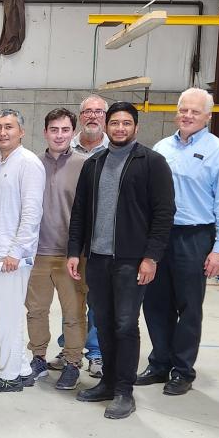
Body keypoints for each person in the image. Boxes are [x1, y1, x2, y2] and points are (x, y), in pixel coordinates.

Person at [66, 102, 175, 419]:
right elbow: (79, 213)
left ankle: (125, 392)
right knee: (104, 323)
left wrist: (151, 257)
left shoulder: (152, 163)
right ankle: (108, 383)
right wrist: (75, 250)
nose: (120, 128)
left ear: (136, 128)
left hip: (131, 260)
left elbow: (164, 215)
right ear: (106, 127)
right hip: (98, 259)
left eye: (126, 123)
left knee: (126, 325)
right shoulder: (94, 163)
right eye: (115, 123)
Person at [139, 88, 219, 395]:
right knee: (155, 304)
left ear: (207, 116)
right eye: (183, 110)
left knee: (189, 306)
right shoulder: (161, 148)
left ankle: (182, 370)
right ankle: (159, 363)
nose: (188, 116)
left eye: (195, 112)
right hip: (159, 236)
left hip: (195, 236)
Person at [0, 109, 45, 394]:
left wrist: (16, 252)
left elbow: (31, 212)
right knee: (1, 317)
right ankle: (24, 368)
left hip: (11, 257)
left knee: (6, 317)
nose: (3, 133)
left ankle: (9, 375)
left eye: (9, 127)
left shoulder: (28, 163)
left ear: (22, 132)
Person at [25, 108, 89, 391]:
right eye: (54, 129)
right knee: (36, 311)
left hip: (71, 255)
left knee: (73, 312)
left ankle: (73, 362)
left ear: (72, 133)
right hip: (37, 252)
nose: (59, 135)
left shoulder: (85, 164)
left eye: (65, 130)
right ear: (45, 132)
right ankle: (38, 358)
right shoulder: (32, 164)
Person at [52, 94, 111, 378]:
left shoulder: (115, 151)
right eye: (87, 111)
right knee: (71, 300)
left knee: (97, 300)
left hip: (99, 239)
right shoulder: (64, 147)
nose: (93, 116)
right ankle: (69, 348)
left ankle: (96, 352)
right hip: (68, 239)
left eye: (98, 112)